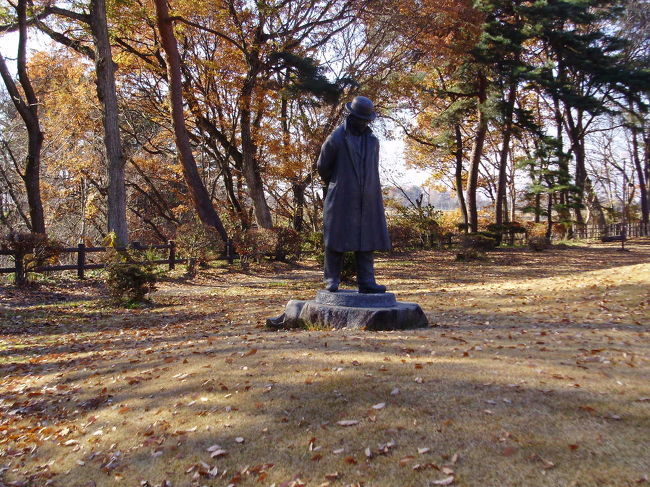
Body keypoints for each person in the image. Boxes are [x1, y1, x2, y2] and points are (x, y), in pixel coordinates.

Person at [317, 96, 391, 293]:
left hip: (367, 198)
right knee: (335, 239)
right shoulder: (336, 138)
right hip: (341, 195)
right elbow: (323, 167)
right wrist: (339, 183)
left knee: (366, 240)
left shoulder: (373, 141)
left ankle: (366, 281)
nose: (363, 123)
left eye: (366, 119)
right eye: (360, 118)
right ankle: (331, 279)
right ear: (351, 116)